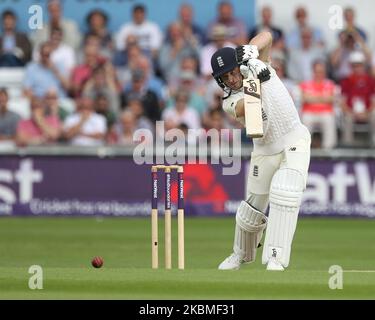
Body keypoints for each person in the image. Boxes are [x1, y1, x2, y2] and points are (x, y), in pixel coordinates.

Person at [210, 31, 311, 271]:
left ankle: (276, 257)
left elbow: (266, 35)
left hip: (294, 138)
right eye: (226, 77)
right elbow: (250, 110)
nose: (232, 79)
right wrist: (253, 79)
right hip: (264, 149)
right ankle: (240, 255)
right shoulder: (229, 102)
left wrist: (252, 53)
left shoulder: (258, 64)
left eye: (233, 72)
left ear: (238, 65)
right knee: (251, 210)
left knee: (285, 192)